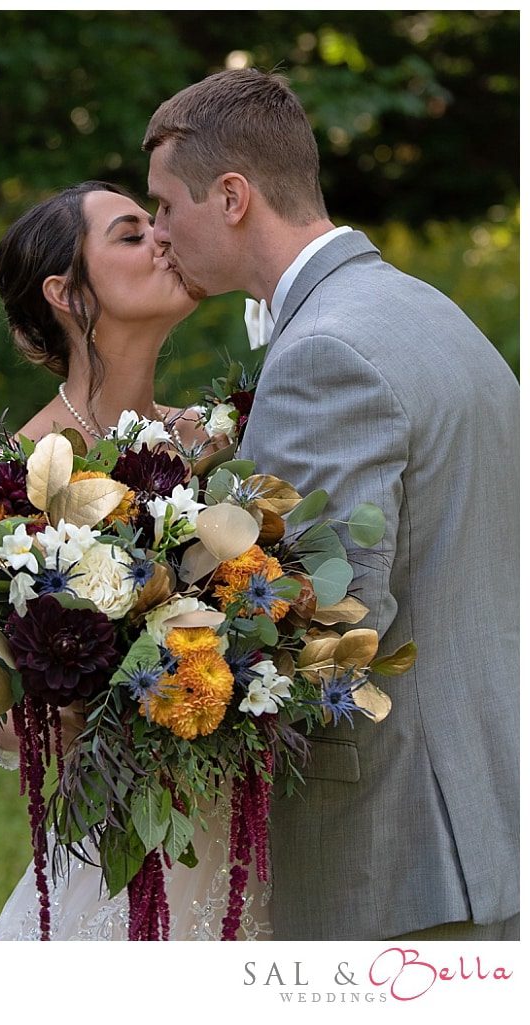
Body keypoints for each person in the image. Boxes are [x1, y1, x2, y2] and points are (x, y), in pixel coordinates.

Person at [144, 68, 519, 941]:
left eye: (165, 205)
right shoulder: (422, 310)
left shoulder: (325, 354)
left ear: (231, 196)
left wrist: (148, 674)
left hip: (401, 849)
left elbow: (322, 621)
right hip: (481, 811)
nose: (159, 233)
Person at [0, 180, 263, 939]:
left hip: (244, 822)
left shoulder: (216, 442)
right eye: (129, 234)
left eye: (156, 224)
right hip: (126, 830)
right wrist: (66, 695)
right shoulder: (20, 476)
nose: (162, 239)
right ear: (65, 291)